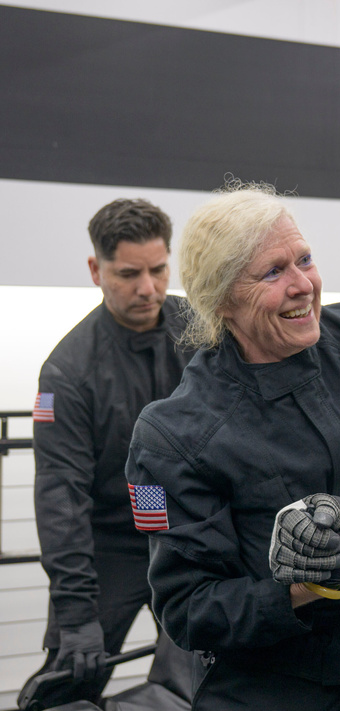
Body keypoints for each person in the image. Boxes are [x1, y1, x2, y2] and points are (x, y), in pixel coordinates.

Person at [123, 184, 340, 711]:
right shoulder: (169, 438)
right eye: (273, 272)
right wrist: (304, 584)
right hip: (273, 684)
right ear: (222, 299)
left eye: (305, 260)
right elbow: (185, 610)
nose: (303, 285)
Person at [24, 198, 194, 706]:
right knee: (67, 682)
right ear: (96, 270)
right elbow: (60, 497)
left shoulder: (201, 329)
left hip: (189, 531)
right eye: (128, 274)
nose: (148, 288)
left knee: (223, 675)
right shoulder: (67, 372)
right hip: (112, 545)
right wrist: (76, 616)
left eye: (159, 270)